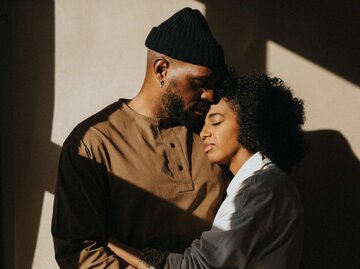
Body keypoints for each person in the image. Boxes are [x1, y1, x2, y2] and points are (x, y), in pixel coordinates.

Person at [51, 7, 230, 268]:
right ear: (161, 70)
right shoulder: (94, 142)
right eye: (199, 83)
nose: (210, 96)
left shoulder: (216, 132)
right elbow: (79, 251)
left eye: (214, 85)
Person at [107, 72, 308, 268]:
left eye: (216, 122)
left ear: (249, 123)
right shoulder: (264, 183)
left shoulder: (259, 187)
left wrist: (111, 242)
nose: (204, 133)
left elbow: (197, 266)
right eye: (204, 124)